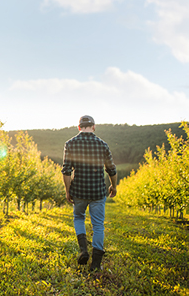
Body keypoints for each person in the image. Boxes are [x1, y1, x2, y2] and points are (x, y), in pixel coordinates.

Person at [61, 115, 117, 271]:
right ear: (94, 127)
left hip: (78, 191)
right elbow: (111, 169)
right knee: (98, 225)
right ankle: (96, 264)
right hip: (98, 192)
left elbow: (66, 170)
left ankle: (84, 250)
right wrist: (113, 186)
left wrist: (68, 190)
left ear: (79, 127)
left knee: (78, 217)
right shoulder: (103, 145)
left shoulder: (70, 144)